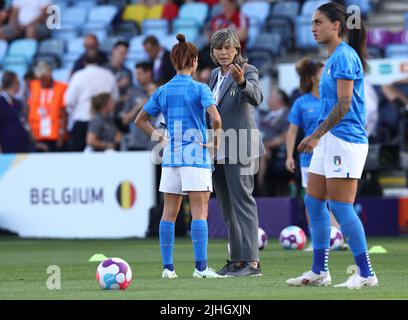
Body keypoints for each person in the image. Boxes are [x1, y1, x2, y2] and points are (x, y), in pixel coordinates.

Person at [286, 2, 378, 289]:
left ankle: (366, 273)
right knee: (313, 200)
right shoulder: (330, 61)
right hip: (328, 139)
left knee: (340, 206)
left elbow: (344, 105)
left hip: (345, 139)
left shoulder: (344, 57)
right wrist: (318, 136)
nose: (312, 28)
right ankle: (319, 272)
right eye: (311, 23)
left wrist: (315, 135)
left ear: (336, 25)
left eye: (318, 22)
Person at [135, 34, 223, 279]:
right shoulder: (200, 88)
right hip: (196, 156)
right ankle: (201, 268)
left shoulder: (163, 90)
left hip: (171, 158)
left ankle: (167, 269)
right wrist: (215, 141)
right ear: (194, 61)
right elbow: (215, 118)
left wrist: (159, 137)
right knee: (199, 212)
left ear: (174, 61)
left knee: (169, 214)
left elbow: (140, 120)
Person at [208, 28, 265, 277]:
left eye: (228, 48)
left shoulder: (248, 70)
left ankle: (252, 262)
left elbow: (257, 98)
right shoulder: (212, 75)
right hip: (219, 147)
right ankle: (236, 260)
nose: (223, 53)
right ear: (213, 51)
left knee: (243, 203)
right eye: (219, 48)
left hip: (241, 145)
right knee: (227, 207)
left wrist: (242, 82)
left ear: (236, 49)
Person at [286, 57, 348, 251]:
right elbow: (292, 131)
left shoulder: (333, 99)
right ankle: (318, 239)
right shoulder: (301, 102)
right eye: (324, 73)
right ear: (313, 78)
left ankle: (336, 236)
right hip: (308, 157)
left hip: (333, 152)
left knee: (335, 196)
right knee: (312, 199)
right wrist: (289, 155)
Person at [65, 54, 118, 152]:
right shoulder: (108, 75)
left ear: (84, 62)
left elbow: (69, 101)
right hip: (103, 120)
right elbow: (115, 98)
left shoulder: (78, 76)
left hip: (82, 120)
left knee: (79, 159)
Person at [27, 61, 67, 152]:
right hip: (37, 135)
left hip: (55, 136)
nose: (42, 81)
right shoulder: (34, 85)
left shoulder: (61, 88)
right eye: (40, 79)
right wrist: (30, 133)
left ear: (49, 75)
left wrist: (61, 135)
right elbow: (28, 109)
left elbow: (64, 114)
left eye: (44, 78)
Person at [257, 87, 290, 196]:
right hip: (258, 145)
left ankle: (260, 191)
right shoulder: (265, 114)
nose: (267, 100)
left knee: (263, 153)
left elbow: (286, 136)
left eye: (271, 97)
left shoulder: (287, 114)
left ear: (280, 101)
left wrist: (267, 144)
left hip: (277, 150)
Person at [0, 71, 32, 153]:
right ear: (13, 83)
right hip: (7, 148)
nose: (19, 85)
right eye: (18, 81)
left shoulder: (18, 103)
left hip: (21, 147)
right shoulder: (1, 101)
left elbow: (23, 123)